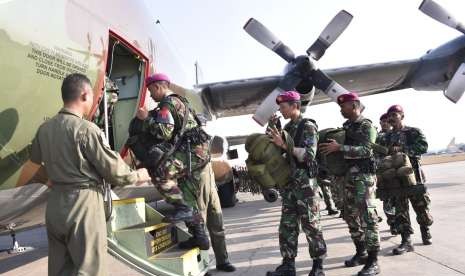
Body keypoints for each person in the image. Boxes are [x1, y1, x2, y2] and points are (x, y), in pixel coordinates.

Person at [29, 73, 151, 276]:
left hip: (55, 205)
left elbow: (33, 162)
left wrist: (50, 180)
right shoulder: (86, 130)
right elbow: (115, 173)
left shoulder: (44, 129)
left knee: (60, 270)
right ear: (85, 95)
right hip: (83, 206)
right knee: (91, 269)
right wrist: (139, 175)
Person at [137, 73, 235, 272]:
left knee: (164, 177)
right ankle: (215, 258)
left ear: (157, 87)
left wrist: (146, 118)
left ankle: (211, 262)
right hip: (201, 160)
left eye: (150, 90)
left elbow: (164, 131)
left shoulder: (167, 103)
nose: (150, 94)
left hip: (193, 162)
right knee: (208, 214)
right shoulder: (182, 101)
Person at [266, 91, 326, 276]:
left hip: (305, 186)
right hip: (289, 185)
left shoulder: (307, 126)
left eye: (284, 107)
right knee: (287, 226)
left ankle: (318, 267)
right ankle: (288, 265)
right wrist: (272, 127)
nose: (281, 110)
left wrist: (285, 145)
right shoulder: (288, 127)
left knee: (311, 225)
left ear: (295, 106)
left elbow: (309, 155)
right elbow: (277, 150)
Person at [320, 92, 380, 276]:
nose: (341, 110)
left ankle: (373, 261)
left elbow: (367, 150)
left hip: (363, 177)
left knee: (368, 218)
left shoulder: (366, 125)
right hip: (347, 178)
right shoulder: (347, 126)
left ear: (354, 106)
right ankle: (361, 252)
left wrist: (340, 148)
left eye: (343, 106)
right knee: (350, 216)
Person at [384, 104, 433, 255]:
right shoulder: (386, 136)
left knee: (421, 206)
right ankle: (406, 241)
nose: (391, 118)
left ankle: (425, 230)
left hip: (414, 176)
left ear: (402, 115)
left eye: (394, 114)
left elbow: (423, 147)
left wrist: (402, 150)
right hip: (396, 179)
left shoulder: (413, 132)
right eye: (389, 116)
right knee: (400, 210)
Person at [376, 113, 398, 235]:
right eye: (382, 121)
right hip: (383, 172)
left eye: (386, 121)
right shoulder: (377, 136)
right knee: (387, 198)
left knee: (398, 198)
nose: (384, 123)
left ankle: (399, 222)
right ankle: (393, 223)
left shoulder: (396, 135)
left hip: (396, 171)